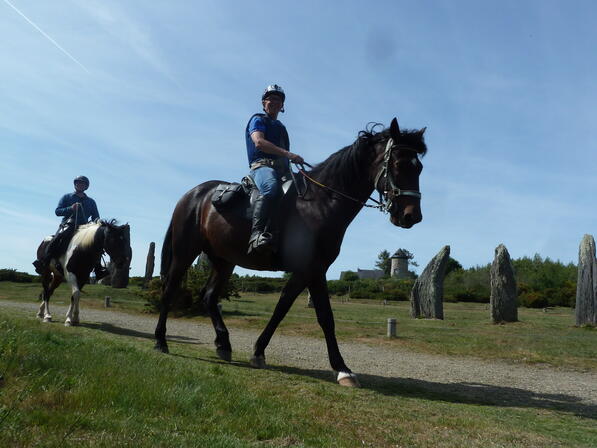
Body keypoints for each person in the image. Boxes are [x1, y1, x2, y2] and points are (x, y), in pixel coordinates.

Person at [245, 84, 304, 254]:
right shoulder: (258, 120)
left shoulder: (281, 127)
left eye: (278, 99)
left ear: (282, 105)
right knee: (270, 188)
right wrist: (289, 154)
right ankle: (256, 234)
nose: (274, 101)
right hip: (262, 166)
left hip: (283, 171)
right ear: (264, 103)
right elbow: (259, 142)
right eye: (271, 98)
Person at [33, 175, 108, 278]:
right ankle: (44, 262)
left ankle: (99, 269)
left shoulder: (91, 201)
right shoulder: (67, 197)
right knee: (57, 239)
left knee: (97, 242)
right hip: (69, 224)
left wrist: (98, 221)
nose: (80, 184)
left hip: (85, 228)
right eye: (78, 182)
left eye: (82, 183)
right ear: (75, 184)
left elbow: (96, 216)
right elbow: (57, 211)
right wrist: (70, 208)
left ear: (86, 186)